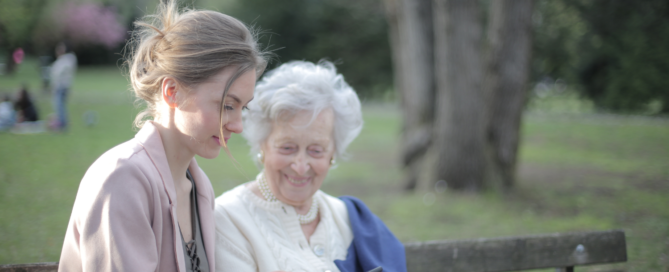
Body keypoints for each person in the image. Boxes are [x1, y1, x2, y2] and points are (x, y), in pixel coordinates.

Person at [58, 1, 268, 271]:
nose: (238, 125)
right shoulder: (122, 180)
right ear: (172, 92)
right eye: (228, 105)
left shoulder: (199, 187)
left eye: (243, 107)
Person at [214, 61, 407, 272]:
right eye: (287, 147)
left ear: (333, 153)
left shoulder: (352, 219)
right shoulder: (228, 220)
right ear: (263, 145)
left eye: (316, 150)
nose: (300, 166)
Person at [50, 41, 77, 130]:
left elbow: (58, 73)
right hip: (62, 86)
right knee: (60, 106)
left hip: (61, 86)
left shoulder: (67, 60)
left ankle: (62, 124)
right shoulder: (65, 60)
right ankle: (61, 123)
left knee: (60, 105)